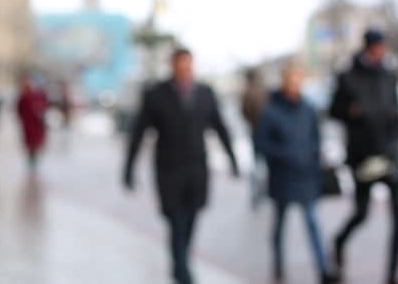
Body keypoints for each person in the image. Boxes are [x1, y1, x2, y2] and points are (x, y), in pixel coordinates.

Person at [123, 48, 240, 284]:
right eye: (180, 65)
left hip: (197, 172)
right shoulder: (157, 94)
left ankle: (180, 265)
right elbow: (139, 132)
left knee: (191, 222)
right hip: (169, 172)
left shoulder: (205, 93)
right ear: (173, 66)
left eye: (189, 65)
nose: (185, 69)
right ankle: (183, 272)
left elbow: (220, 128)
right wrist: (129, 169)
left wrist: (233, 159)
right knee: (176, 222)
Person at [330, 29, 398, 284]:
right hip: (364, 157)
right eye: (377, 47)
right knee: (362, 214)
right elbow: (333, 110)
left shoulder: (388, 74)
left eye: (383, 47)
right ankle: (338, 242)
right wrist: (351, 111)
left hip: (390, 153)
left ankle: (393, 275)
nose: (381, 51)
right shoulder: (348, 76)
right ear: (368, 48)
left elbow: (396, 108)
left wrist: (396, 125)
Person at [254, 63, 337, 284]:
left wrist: (312, 154)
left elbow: (317, 137)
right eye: (291, 81)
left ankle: (323, 268)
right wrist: (286, 154)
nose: (295, 86)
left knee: (313, 223)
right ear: (284, 82)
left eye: (298, 81)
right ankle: (279, 266)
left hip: (306, 176)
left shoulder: (308, 108)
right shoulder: (271, 111)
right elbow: (261, 144)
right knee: (280, 225)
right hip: (283, 178)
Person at [240, 68, 268, 209]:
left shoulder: (248, 92)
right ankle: (260, 192)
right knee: (261, 163)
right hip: (263, 131)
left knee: (257, 163)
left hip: (257, 131)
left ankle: (257, 193)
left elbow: (244, 112)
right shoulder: (262, 90)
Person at [17, 77, 49, 172]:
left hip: (36, 125)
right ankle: (32, 163)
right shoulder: (24, 97)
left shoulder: (38, 96)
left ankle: (34, 163)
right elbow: (19, 111)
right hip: (29, 126)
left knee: (35, 145)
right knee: (31, 146)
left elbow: (45, 107)